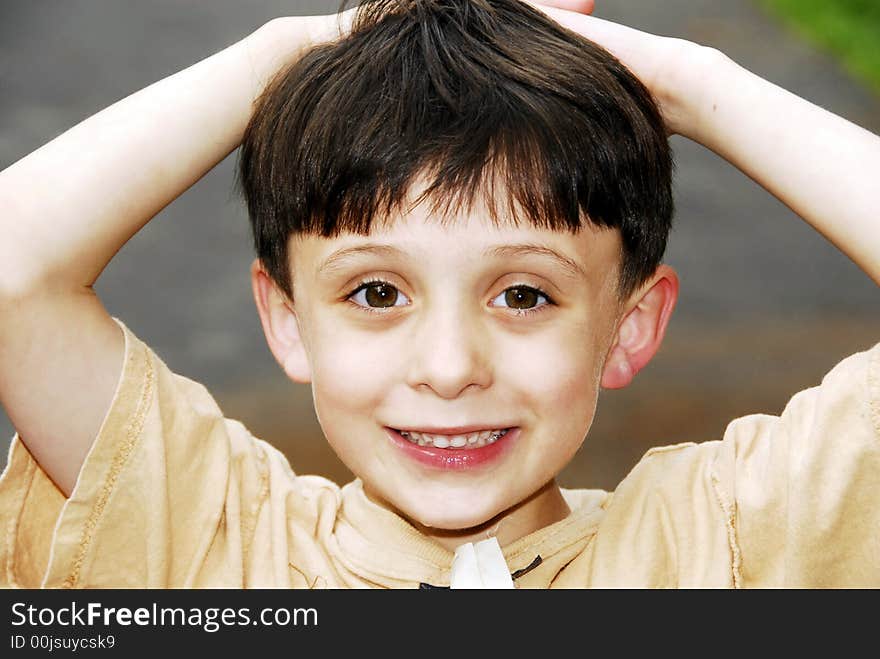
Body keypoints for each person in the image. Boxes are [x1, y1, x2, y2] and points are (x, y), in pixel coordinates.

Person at [0, 0, 877, 588]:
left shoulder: (731, 543)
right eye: (377, 291)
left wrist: (686, 81)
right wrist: (297, 48)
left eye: (525, 295)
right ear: (287, 318)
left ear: (628, 325)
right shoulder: (210, 543)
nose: (450, 367)